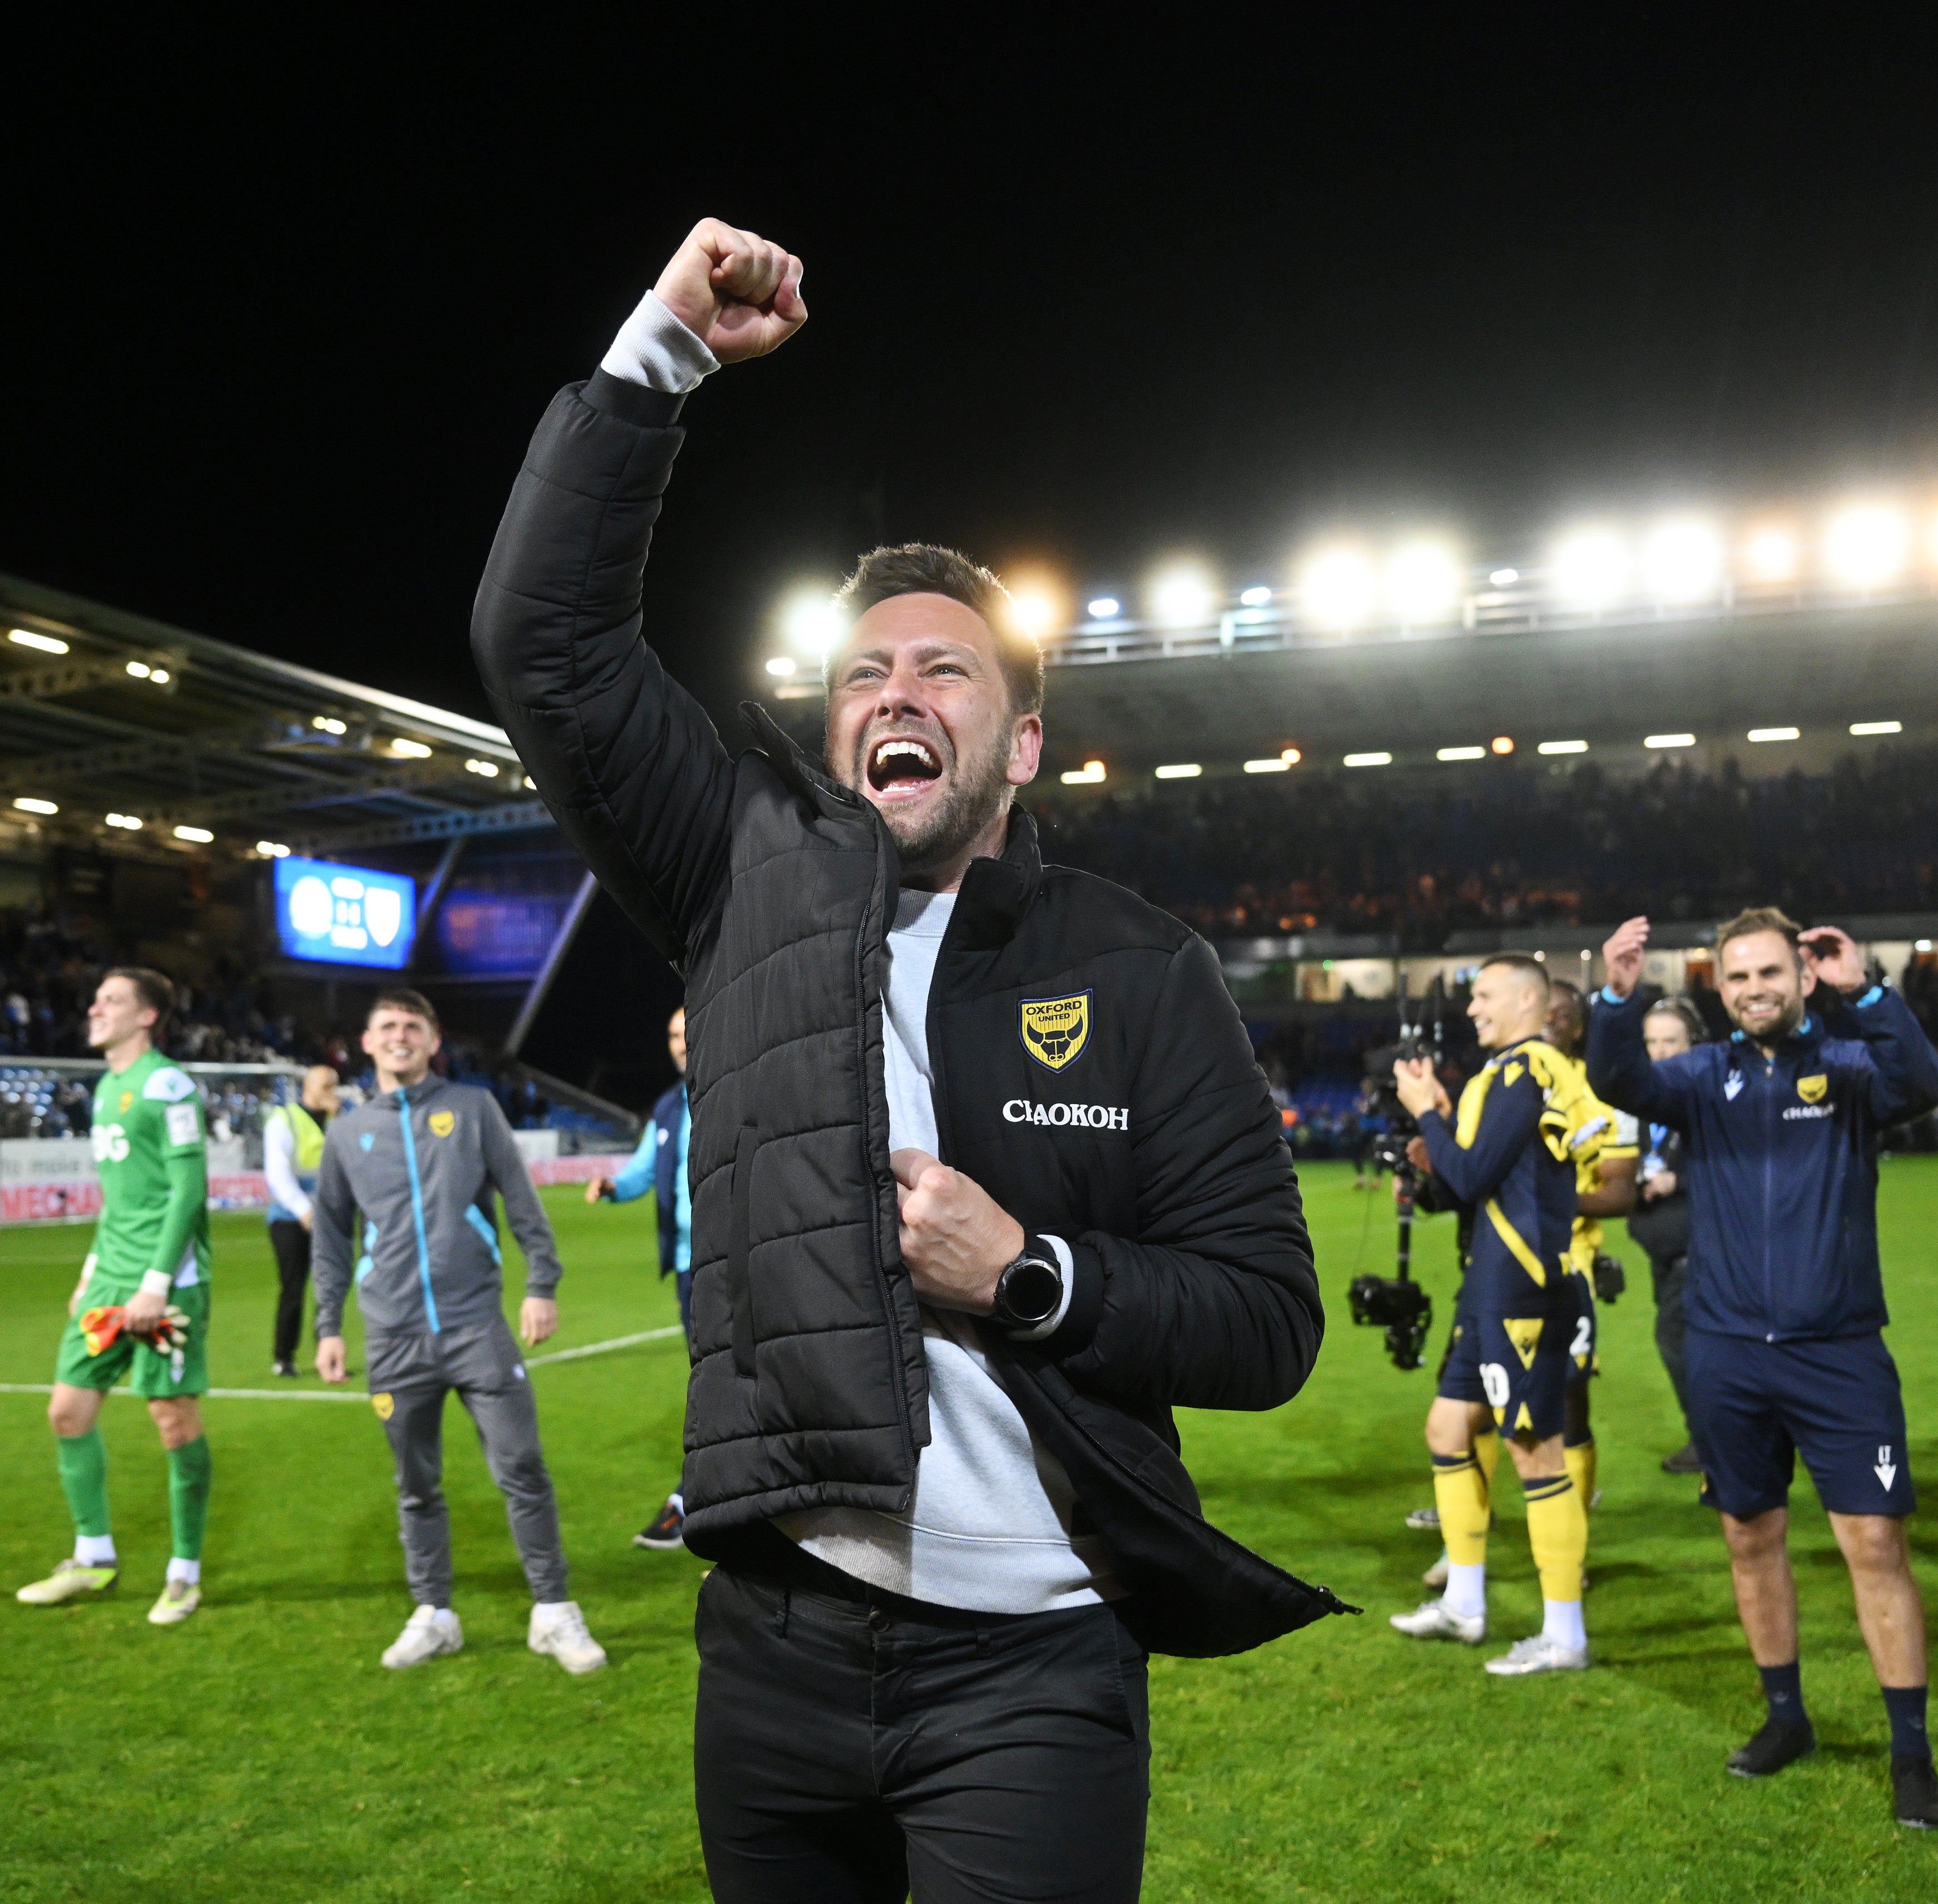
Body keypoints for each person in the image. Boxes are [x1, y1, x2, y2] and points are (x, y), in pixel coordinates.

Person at [474, 216, 1333, 1904]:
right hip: (772, 1653)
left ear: (1017, 742)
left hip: (1029, 1671)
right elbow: (542, 646)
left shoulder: (1134, 968)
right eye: (862, 670)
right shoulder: (740, 873)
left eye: (944, 666)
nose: (895, 686)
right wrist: (658, 348)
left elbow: (1266, 1320)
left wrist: (1027, 1276)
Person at [1587, 907, 1938, 1830]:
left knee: (1876, 1546)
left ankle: (1913, 1754)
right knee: (1749, 1537)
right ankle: (1786, 1717)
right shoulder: (1703, 1079)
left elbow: (1925, 1081)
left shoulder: (1851, 1065)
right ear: (1721, 987)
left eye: (1771, 973)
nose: (1755, 989)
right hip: (1726, 1355)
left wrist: (1866, 989)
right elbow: (1619, 1076)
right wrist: (1615, 997)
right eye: (1738, 976)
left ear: (1801, 976)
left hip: (1839, 1354)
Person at [310, 990, 601, 1676]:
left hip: (477, 1326)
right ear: (368, 1041)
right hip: (392, 1337)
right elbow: (330, 1238)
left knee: (522, 1467)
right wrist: (328, 1328)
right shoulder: (348, 1135)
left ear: (434, 1039)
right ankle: (434, 1612)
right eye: (387, 1026)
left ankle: (553, 1611)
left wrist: (541, 1284)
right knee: (416, 1484)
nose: (400, 1035)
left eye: (413, 1025)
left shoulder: (473, 1109)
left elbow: (522, 1201)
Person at [1385, 954, 1599, 1674]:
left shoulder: (1526, 1069)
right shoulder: (1505, 1072)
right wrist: (1434, 1143)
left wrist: (1427, 1111)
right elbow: (1476, 1179)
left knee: (1533, 1449)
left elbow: (1474, 1172)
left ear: (1527, 1001)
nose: (1471, 1008)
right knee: (1447, 1427)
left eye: (1482, 996)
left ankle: (1564, 1633)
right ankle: (1466, 1603)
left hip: (1524, 1289)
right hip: (1490, 1283)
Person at [12, 968, 215, 1628]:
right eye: (98, 999)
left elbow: (188, 1191)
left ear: (148, 1015)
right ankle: (92, 1556)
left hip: (169, 1280)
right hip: (109, 1279)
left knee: (172, 1420)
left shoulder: (169, 1083)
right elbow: (119, 1199)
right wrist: (92, 1267)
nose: (96, 1008)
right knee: (67, 1411)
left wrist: (156, 1281)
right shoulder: (107, 1088)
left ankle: (184, 1573)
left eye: (113, 1000)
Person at [588, 1004, 693, 1550]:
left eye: (688, 1030)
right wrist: (612, 1187)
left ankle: (691, 1499)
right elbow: (643, 1174)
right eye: (673, 1034)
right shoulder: (669, 1106)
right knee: (715, 1380)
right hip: (688, 1267)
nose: (680, 1042)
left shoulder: (737, 1088)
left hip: (741, 1264)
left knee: (724, 1382)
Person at [1544, 978, 1635, 1515]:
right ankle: (1462, 1546)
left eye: (1563, 1015)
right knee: (1467, 1402)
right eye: (1543, 1013)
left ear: (1579, 1028)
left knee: (1570, 1402)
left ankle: (1572, 1535)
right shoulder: (1495, 1083)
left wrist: (1542, 1199)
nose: (1551, 1022)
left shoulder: (1603, 1092)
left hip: (1566, 1267)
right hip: (1491, 1263)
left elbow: (1619, 1192)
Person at [1625, 999, 1704, 1474]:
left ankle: (1711, 1442)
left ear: (1693, 1044)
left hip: (1699, 1243)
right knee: (1688, 1342)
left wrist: (1680, 1179)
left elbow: (1743, 1157)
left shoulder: (1707, 1092)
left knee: (1675, 1338)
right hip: (1662, 1244)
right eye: (1651, 1042)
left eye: (1670, 1041)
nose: (1658, 1052)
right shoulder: (1645, 1098)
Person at [263, 1064, 340, 1378]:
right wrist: (302, 1211)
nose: (332, 1093)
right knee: (293, 1288)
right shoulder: (284, 1120)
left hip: (328, 1217)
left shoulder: (339, 1122)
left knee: (330, 1289)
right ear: (308, 1088)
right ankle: (284, 1357)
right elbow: (277, 1173)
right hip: (288, 1218)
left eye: (335, 1086)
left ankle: (328, 1351)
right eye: (326, 1087)